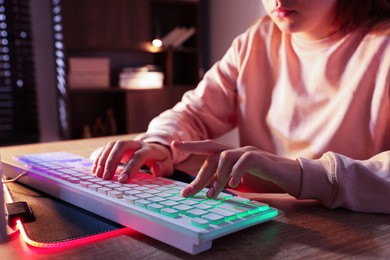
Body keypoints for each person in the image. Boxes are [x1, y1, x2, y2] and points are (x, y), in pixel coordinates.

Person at [92, 0, 390, 214]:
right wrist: (162, 143)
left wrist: (304, 175)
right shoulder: (257, 40)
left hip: (352, 228)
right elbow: (195, 112)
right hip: (260, 214)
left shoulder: (382, 48)